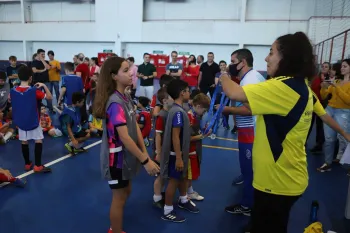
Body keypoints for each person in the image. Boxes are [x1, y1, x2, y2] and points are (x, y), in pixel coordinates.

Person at [219, 31, 325, 233]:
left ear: (286, 57)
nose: (266, 58)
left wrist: (223, 74)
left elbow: (234, 93)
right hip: (285, 176)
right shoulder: (298, 85)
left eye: (271, 52)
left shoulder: (281, 87)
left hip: (277, 182)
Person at [93, 56, 159, 233]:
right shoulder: (115, 103)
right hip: (116, 160)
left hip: (126, 158)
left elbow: (135, 128)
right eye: (125, 70)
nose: (131, 73)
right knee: (119, 197)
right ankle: (115, 230)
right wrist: (146, 162)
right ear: (114, 76)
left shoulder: (126, 97)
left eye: (129, 68)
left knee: (126, 190)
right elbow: (124, 137)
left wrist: (145, 153)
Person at [222, 49, 265, 217]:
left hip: (251, 129)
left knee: (250, 169)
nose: (231, 65)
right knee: (247, 166)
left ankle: (247, 205)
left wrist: (226, 109)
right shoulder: (249, 77)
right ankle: (246, 179)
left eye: (233, 62)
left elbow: (249, 109)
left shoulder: (251, 80)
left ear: (243, 62)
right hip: (248, 128)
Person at [161, 79, 198, 223]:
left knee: (182, 177)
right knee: (174, 180)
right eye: (188, 91)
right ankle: (168, 210)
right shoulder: (177, 112)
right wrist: (178, 157)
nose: (189, 93)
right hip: (175, 154)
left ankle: (183, 199)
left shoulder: (179, 110)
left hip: (180, 153)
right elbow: (175, 136)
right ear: (182, 93)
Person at [11, 66, 52, 173]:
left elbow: (12, 102)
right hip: (33, 119)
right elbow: (49, 97)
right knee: (38, 140)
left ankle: (27, 164)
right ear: (30, 78)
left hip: (20, 121)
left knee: (24, 141)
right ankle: (38, 166)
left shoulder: (13, 90)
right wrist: (43, 85)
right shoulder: (34, 91)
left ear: (19, 77)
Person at [317, 59, 350, 172]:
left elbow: (348, 101)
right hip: (330, 110)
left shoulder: (341, 84)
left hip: (343, 111)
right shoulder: (336, 81)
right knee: (329, 139)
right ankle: (327, 163)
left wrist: (337, 88)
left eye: (345, 66)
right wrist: (323, 87)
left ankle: (347, 161)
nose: (342, 68)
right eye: (342, 66)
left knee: (343, 138)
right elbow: (324, 96)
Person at [186, 93, 211, 201]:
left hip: (195, 148)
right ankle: (185, 195)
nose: (204, 113)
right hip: (189, 150)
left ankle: (189, 191)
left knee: (191, 173)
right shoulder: (189, 118)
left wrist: (204, 129)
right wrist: (202, 136)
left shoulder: (196, 116)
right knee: (188, 174)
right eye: (204, 110)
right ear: (198, 106)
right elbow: (186, 138)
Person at [153, 87, 173, 208]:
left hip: (168, 149)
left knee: (165, 174)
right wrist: (158, 153)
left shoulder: (170, 113)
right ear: (164, 100)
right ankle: (157, 197)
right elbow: (158, 135)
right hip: (162, 150)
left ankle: (160, 194)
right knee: (160, 175)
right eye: (171, 97)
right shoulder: (161, 115)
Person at [308, 62, 330, 152]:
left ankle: (319, 144)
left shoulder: (329, 80)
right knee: (309, 123)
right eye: (323, 66)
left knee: (320, 125)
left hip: (322, 104)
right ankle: (303, 142)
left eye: (326, 67)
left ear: (329, 69)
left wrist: (324, 83)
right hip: (312, 103)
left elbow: (327, 93)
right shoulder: (316, 78)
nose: (324, 68)